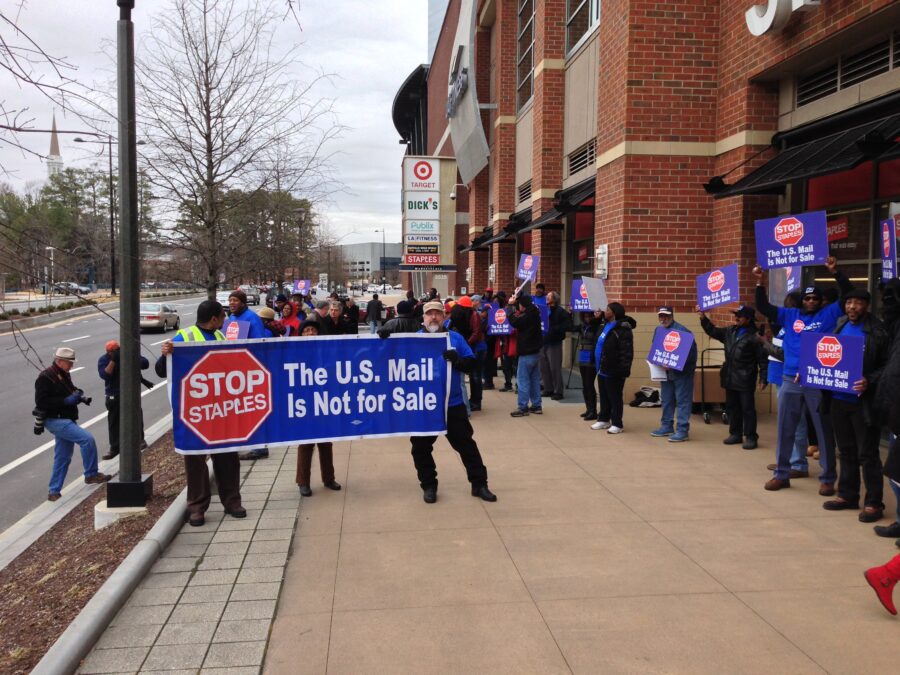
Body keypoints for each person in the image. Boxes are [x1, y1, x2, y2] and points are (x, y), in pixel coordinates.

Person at [753, 258, 852, 493]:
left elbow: (847, 294)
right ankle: (782, 474)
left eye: (815, 299)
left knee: (822, 429)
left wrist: (836, 272)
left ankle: (828, 478)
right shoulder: (790, 315)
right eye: (807, 298)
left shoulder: (828, 314)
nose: (810, 301)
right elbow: (764, 308)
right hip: (790, 379)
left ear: (820, 302)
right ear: (801, 301)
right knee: (785, 428)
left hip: (816, 380)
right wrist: (759, 282)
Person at [396, 300, 495, 504]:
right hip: (425, 406)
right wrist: (383, 340)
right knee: (421, 449)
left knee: (467, 446)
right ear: (422, 318)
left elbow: (471, 364)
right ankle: (429, 485)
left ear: (444, 316)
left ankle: (479, 484)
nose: (434, 317)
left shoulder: (455, 338)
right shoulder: (413, 340)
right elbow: (392, 362)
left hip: (452, 404)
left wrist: (458, 360)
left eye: (438, 314)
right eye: (429, 314)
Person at [157, 300, 245, 527]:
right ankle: (197, 508)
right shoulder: (183, 338)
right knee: (195, 462)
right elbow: (161, 370)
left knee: (227, 458)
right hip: (194, 415)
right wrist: (166, 353)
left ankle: (232, 502)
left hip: (220, 412)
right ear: (214, 318)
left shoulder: (220, 338)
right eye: (222, 318)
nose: (225, 321)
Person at [820, 288, 890, 521]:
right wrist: (810, 372)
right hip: (838, 399)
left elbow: (887, 367)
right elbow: (826, 355)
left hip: (864, 403)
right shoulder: (840, 325)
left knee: (868, 454)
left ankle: (873, 503)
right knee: (846, 451)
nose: (852, 307)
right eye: (849, 302)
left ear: (866, 306)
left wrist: (870, 380)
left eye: (857, 303)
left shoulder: (878, 331)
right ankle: (848, 495)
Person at [36, 347, 111, 501]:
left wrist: (78, 394)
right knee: (87, 440)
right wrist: (65, 400)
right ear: (59, 361)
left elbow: (68, 390)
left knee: (62, 456)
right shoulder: (45, 377)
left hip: (65, 418)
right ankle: (91, 474)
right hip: (55, 419)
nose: (71, 366)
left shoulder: (63, 374)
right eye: (69, 363)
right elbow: (41, 401)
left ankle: (53, 491)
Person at [697, 305, 766, 449]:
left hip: (746, 378)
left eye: (739, 316)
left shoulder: (755, 336)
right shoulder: (730, 331)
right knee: (732, 407)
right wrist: (704, 318)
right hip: (730, 376)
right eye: (736, 315)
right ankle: (735, 433)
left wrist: (763, 378)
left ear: (748, 319)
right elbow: (713, 331)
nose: (736, 318)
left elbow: (762, 360)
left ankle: (751, 436)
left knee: (748, 409)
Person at [295, 320, 342, 496]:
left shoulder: (326, 351)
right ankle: (303, 481)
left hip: (324, 401)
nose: (309, 333)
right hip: (304, 403)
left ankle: (329, 478)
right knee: (306, 443)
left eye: (312, 330)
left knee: (325, 442)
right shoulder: (293, 352)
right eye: (306, 330)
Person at [875, 278, 900, 541]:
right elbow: (891, 317)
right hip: (895, 408)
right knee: (895, 473)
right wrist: (890, 294)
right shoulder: (896, 329)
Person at [650, 306, 697, 442]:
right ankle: (666, 426)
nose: (663, 319)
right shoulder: (658, 330)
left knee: (682, 401)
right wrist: (658, 362)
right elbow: (656, 349)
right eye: (661, 316)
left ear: (672, 316)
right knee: (667, 399)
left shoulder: (684, 332)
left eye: (666, 316)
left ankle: (682, 430)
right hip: (665, 372)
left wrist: (673, 364)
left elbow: (690, 355)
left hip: (682, 374)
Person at [97, 340, 150, 460]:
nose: (116, 353)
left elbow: (145, 364)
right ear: (108, 352)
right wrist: (113, 361)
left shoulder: (127, 354)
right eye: (113, 351)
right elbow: (105, 375)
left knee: (136, 416)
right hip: (114, 394)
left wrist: (132, 356)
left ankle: (139, 440)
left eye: (117, 350)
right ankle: (115, 448)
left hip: (130, 392)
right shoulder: (104, 360)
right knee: (114, 421)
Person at [591, 303, 635, 434]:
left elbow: (626, 352)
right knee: (603, 395)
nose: (605, 311)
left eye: (608, 309)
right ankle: (604, 419)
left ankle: (617, 423)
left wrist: (623, 370)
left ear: (615, 312)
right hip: (602, 368)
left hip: (614, 369)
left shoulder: (622, 329)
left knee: (614, 397)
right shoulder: (604, 325)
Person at [507, 293, 543, 416]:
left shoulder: (527, 316)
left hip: (526, 352)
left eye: (519, 305)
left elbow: (514, 321)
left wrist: (510, 307)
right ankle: (537, 405)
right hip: (535, 352)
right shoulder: (535, 313)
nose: (519, 307)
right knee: (534, 380)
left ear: (523, 305)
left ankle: (522, 407)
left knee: (523, 380)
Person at [539, 291, 570, 400]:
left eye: (549, 296)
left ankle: (558, 391)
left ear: (555, 299)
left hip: (554, 342)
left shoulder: (560, 312)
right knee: (544, 367)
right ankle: (548, 389)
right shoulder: (543, 310)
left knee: (554, 367)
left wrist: (554, 329)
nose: (546, 297)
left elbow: (567, 325)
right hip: (543, 341)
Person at [577, 310, 602, 421]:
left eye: (589, 316)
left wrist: (597, 317)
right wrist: (569, 314)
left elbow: (597, 323)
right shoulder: (582, 326)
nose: (587, 318)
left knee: (589, 384)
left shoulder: (596, 326)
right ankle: (588, 409)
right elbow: (568, 327)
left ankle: (593, 411)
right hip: (582, 357)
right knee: (584, 385)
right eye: (585, 316)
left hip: (591, 359)